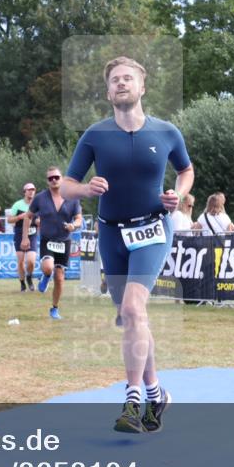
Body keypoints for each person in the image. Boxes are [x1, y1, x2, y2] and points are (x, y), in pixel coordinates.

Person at [62, 55, 193, 433]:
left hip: (153, 228)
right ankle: (156, 393)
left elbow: (186, 169)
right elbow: (67, 183)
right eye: (115, 80)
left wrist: (178, 194)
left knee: (135, 308)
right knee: (131, 317)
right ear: (108, 92)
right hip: (111, 232)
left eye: (128, 79)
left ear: (142, 87)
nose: (121, 83)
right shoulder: (95, 135)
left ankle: (132, 400)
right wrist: (86, 188)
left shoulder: (167, 132)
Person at [22, 166, 83, 320]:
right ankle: (46, 275)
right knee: (49, 267)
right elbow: (28, 216)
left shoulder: (72, 198)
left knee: (60, 277)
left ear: (62, 178)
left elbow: (78, 218)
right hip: (47, 240)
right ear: (47, 181)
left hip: (65, 241)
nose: (54, 180)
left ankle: (54, 309)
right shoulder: (40, 198)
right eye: (50, 178)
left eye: (56, 177)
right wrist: (25, 237)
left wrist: (74, 225)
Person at [8, 183, 39, 291]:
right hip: (19, 234)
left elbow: (42, 218)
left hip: (32, 234)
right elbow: (9, 220)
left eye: (33, 190)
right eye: (29, 190)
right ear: (24, 192)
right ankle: (22, 283)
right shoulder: (18, 205)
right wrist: (19, 217)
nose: (31, 191)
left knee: (31, 261)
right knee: (20, 260)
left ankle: (29, 277)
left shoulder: (38, 204)